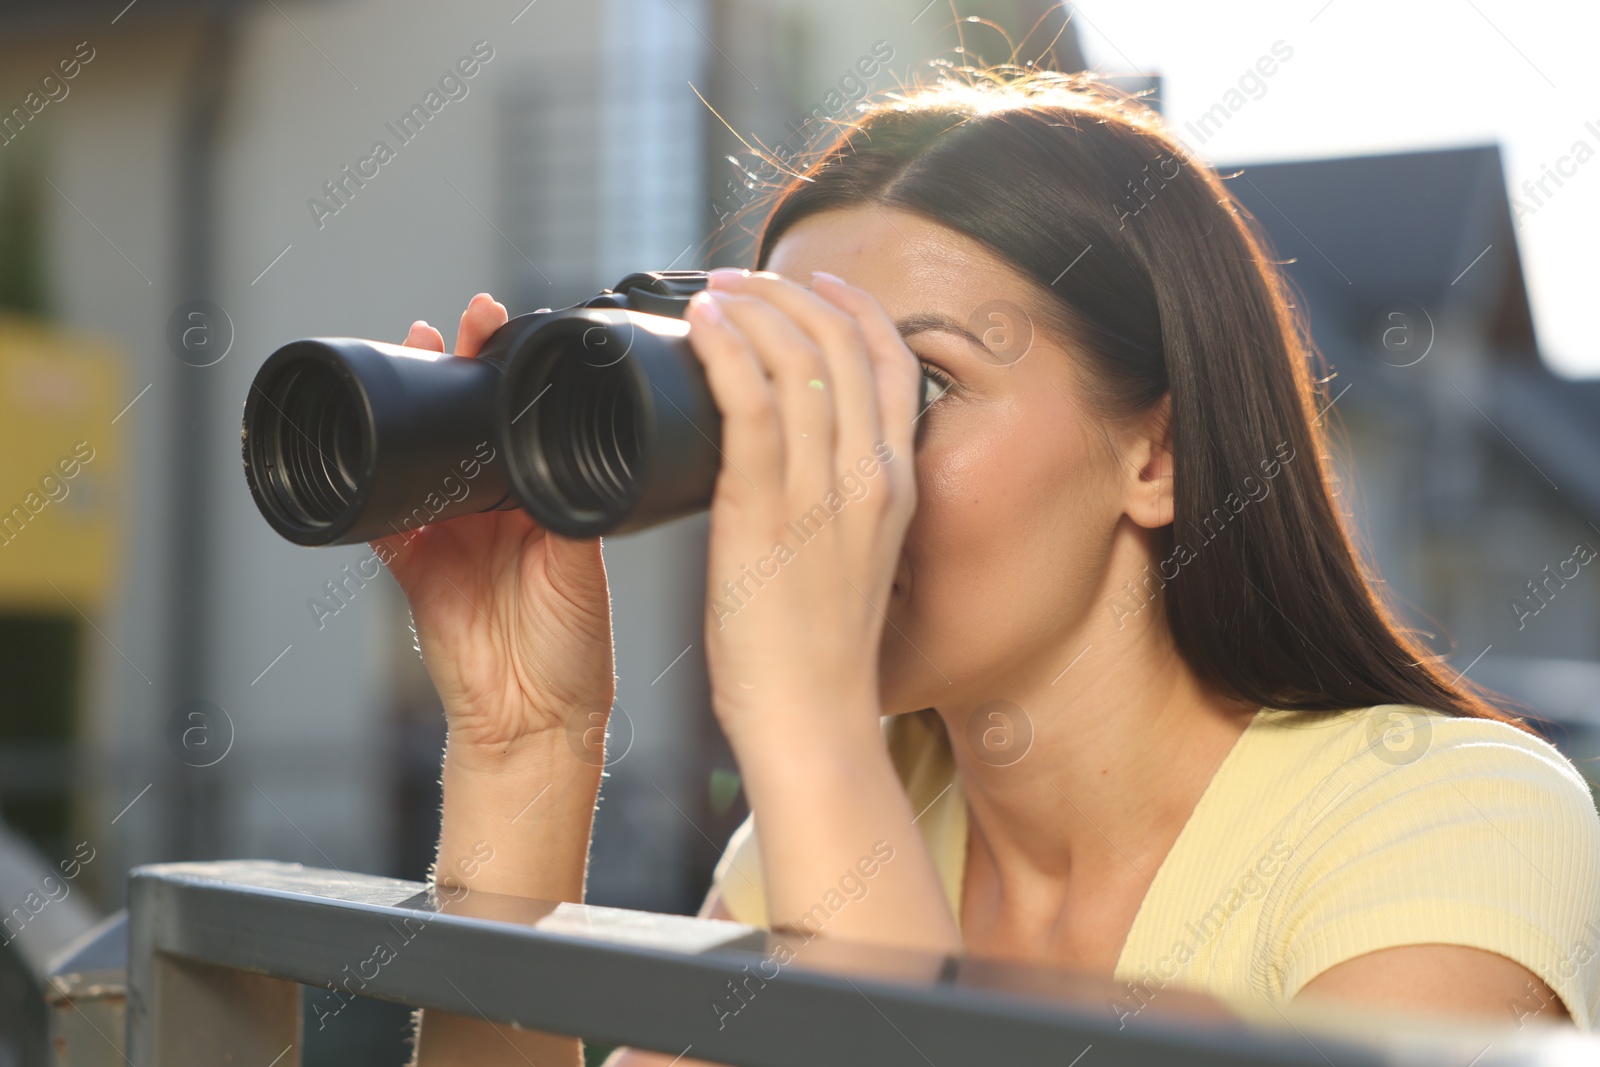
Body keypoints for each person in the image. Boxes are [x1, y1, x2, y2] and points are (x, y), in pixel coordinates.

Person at [392, 69, 1600, 1066]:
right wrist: (526, 742)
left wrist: (805, 719)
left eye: (910, 386)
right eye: (780, 396)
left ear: (1159, 453)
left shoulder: (1452, 816)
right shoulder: (854, 814)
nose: (830, 466)